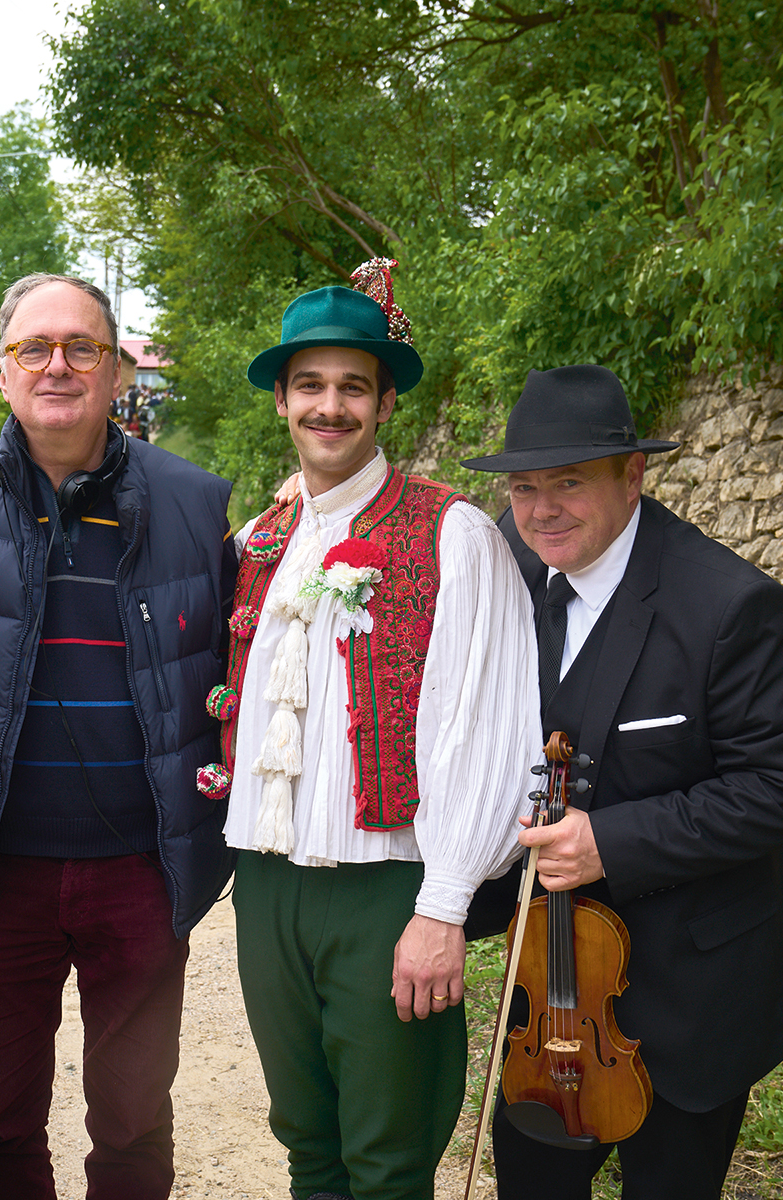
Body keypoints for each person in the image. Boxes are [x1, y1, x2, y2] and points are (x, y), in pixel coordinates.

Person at [0, 274, 235, 1199]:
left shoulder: (200, 504)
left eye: (83, 347)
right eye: (33, 348)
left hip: (141, 872)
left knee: (131, 1121)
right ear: (3, 372)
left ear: (117, 371)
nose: (59, 366)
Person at [461, 364, 783, 1200]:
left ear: (633, 475)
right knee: (531, 1185)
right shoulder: (509, 572)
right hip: (554, 1000)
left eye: (570, 481)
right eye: (525, 487)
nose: (542, 510)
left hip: (696, 986)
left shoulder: (732, 607)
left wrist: (610, 840)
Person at [218, 266, 539, 1200]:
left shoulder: (456, 533)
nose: (330, 406)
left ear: (386, 400)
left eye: (352, 386)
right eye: (309, 386)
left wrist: (441, 908)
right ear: (281, 400)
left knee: (389, 1159)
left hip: (387, 889)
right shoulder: (260, 541)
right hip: (267, 883)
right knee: (307, 1144)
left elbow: (487, 725)